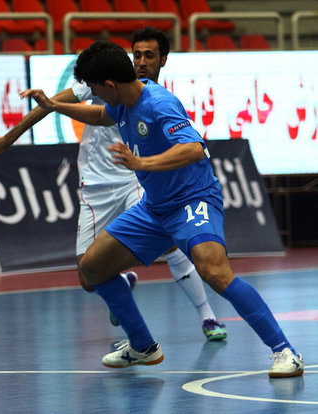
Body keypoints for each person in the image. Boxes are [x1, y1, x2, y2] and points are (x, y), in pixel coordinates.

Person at [19, 40, 304, 378]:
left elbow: (194, 149)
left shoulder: (159, 104)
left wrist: (142, 162)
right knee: (92, 269)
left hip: (193, 200)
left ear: (109, 85)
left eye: (95, 89)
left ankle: (285, 350)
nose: (93, 95)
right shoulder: (122, 102)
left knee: (214, 272)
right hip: (154, 209)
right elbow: (100, 114)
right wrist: (53, 106)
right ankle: (142, 346)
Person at [0, 27, 227, 342]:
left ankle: (207, 316)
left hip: (135, 180)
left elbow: (187, 145)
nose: (141, 62)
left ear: (162, 61)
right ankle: (123, 282)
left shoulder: (158, 100)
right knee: (88, 275)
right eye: (136, 54)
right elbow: (51, 103)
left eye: (148, 56)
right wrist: (9, 138)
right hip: (96, 184)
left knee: (175, 244)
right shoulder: (104, 82)